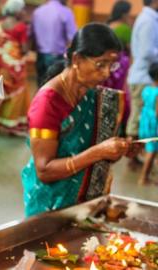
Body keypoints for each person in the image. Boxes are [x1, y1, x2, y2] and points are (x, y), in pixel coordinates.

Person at [21, 23, 139, 217]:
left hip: (89, 205)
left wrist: (118, 149)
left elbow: (98, 149)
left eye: (112, 64)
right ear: (76, 59)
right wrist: (98, 152)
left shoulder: (93, 95)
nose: (107, 73)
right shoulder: (47, 102)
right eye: (100, 64)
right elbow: (44, 171)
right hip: (52, 205)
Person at [0, 0, 30, 136]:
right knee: (17, 94)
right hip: (15, 65)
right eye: (23, 9)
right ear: (18, 11)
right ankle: (11, 125)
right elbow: (24, 49)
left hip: (1, 64)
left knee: (1, 92)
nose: (24, 12)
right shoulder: (21, 27)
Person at [126, 0, 158, 139]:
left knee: (141, 116)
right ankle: (132, 156)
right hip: (143, 76)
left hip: (143, 75)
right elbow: (147, 52)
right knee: (139, 117)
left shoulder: (148, 19)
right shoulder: (148, 21)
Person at [102, 0, 133, 134]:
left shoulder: (107, 26)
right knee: (119, 96)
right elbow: (131, 49)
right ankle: (117, 128)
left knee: (106, 93)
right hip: (120, 65)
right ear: (124, 13)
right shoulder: (125, 29)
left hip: (105, 64)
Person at [31, 0, 77, 87]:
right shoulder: (66, 12)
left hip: (40, 55)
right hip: (57, 57)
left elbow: (31, 35)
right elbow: (73, 38)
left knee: (41, 86)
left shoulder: (38, 11)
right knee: (54, 88)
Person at [138, 63, 158, 185]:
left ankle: (147, 174)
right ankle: (143, 177)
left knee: (149, 149)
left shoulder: (146, 89)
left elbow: (142, 104)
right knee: (151, 151)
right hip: (154, 124)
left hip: (145, 121)